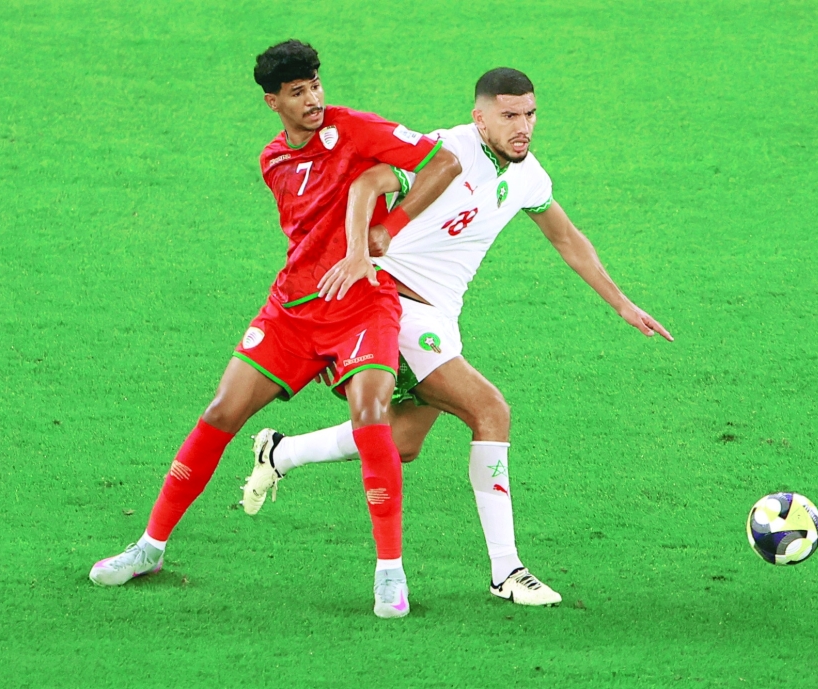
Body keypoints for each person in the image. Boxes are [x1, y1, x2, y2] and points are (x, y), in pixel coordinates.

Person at [241, 67, 673, 607]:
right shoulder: (447, 150)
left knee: (403, 443)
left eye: (531, 114)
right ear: (480, 116)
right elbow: (370, 181)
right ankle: (506, 571)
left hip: (440, 316)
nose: (523, 127)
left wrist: (622, 303)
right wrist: (370, 243)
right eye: (509, 116)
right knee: (491, 410)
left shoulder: (528, 175)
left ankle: (282, 451)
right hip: (393, 305)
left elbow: (567, 237)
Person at [89, 39, 461, 620]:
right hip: (291, 312)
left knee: (371, 417)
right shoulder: (273, 162)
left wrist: (386, 230)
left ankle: (390, 572)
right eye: (297, 92)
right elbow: (313, 233)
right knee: (219, 412)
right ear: (273, 102)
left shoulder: (356, 129)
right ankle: (149, 548)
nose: (313, 99)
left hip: (361, 306)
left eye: (316, 85)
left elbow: (443, 163)